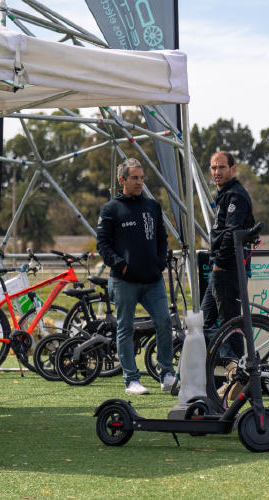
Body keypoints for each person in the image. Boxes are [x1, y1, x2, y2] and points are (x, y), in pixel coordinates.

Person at [96, 158, 175, 395]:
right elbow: (103, 245)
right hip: (124, 281)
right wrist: (122, 266)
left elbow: (162, 239)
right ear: (122, 180)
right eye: (134, 178)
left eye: (141, 178)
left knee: (165, 322)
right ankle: (131, 380)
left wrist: (160, 262)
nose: (140, 182)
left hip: (153, 281)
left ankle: (167, 374)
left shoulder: (153, 206)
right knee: (125, 328)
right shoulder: (110, 209)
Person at [201, 150, 255, 400]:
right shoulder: (224, 194)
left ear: (233, 169)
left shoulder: (235, 195)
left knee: (229, 323)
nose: (217, 172)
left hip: (227, 268)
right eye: (213, 168)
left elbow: (232, 232)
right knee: (204, 321)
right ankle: (232, 372)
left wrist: (220, 263)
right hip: (221, 267)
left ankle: (239, 373)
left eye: (221, 167)